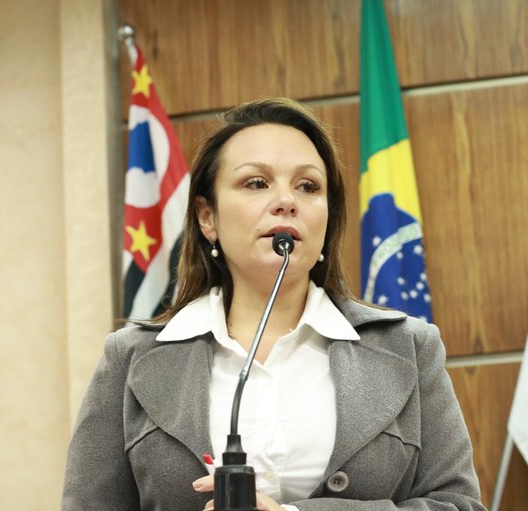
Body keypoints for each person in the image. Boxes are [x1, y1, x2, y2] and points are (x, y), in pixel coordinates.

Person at [62, 98, 485, 510]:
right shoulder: (130, 357)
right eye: (256, 183)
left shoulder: (408, 347)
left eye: (308, 186)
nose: (287, 201)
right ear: (207, 217)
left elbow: (458, 505)